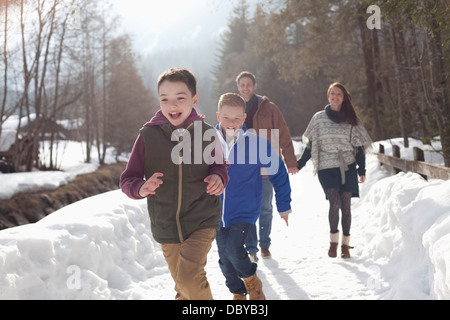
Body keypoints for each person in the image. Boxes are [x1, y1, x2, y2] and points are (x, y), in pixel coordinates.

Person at [120, 68, 229, 300]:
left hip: (202, 218)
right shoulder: (147, 136)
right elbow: (128, 178)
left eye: (180, 97)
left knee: (189, 279)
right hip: (166, 224)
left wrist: (219, 178)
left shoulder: (207, 133)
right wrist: (140, 188)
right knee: (184, 287)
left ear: (194, 99)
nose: (173, 105)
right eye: (165, 99)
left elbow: (219, 166)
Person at [215, 93, 292, 300]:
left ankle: (252, 282)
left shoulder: (256, 144)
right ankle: (237, 292)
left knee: (233, 250)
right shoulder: (207, 144)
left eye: (237, 118)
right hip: (216, 211)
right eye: (226, 117)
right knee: (224, 260)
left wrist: (283, 204)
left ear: (244, 118)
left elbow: (279, 172)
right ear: (217, 116)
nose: (231, 123)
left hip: (244, 210)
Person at [297, 82, 372, 258]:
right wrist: (301, 163)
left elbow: (359, 147)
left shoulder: (352, 119)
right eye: (332, 93)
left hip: (347, 166)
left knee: (346, 206)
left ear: (344, 98)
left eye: (339, 94)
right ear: (328, 96)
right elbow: (311, 145)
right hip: (326, 166)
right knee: (335, 202)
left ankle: (345, 246)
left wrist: (362, 170)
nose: (335, 97)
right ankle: (333, 242)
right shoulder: (318, 118)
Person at [235, 71, 298, 262]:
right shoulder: (234, 108)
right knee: (248, 209)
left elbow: (283, 133)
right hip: (243, 168)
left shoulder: (269, 108)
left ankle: (264, 245)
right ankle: (251, 248)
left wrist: (290, 161)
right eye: (242, 85)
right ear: (238, 87)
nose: (245, 88)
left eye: (248, 84)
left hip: (265, 165)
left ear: (255, 86)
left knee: (265, 208)